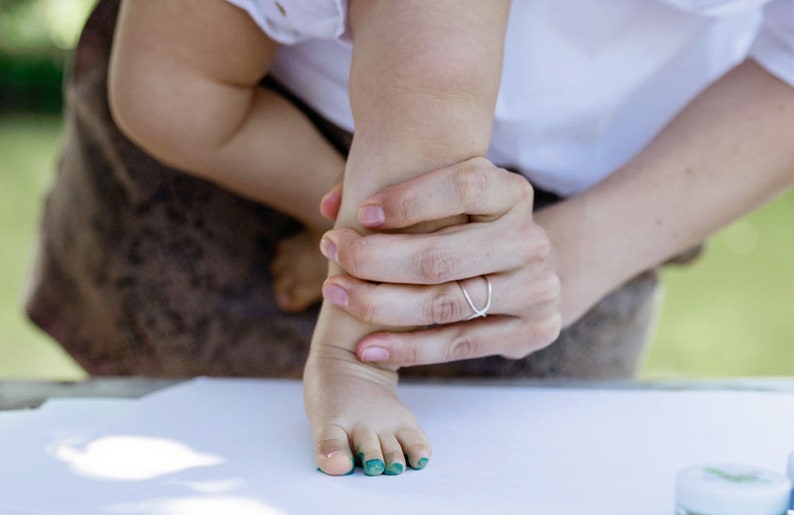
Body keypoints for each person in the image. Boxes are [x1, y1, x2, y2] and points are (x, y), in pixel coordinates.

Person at [25, 0, 794, 477]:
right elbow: (432, 76)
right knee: (174, 426)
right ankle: (344, 238)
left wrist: (570, 248)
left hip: (613, 172)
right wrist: (356, 355)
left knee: (520, 467)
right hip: (241, 99)